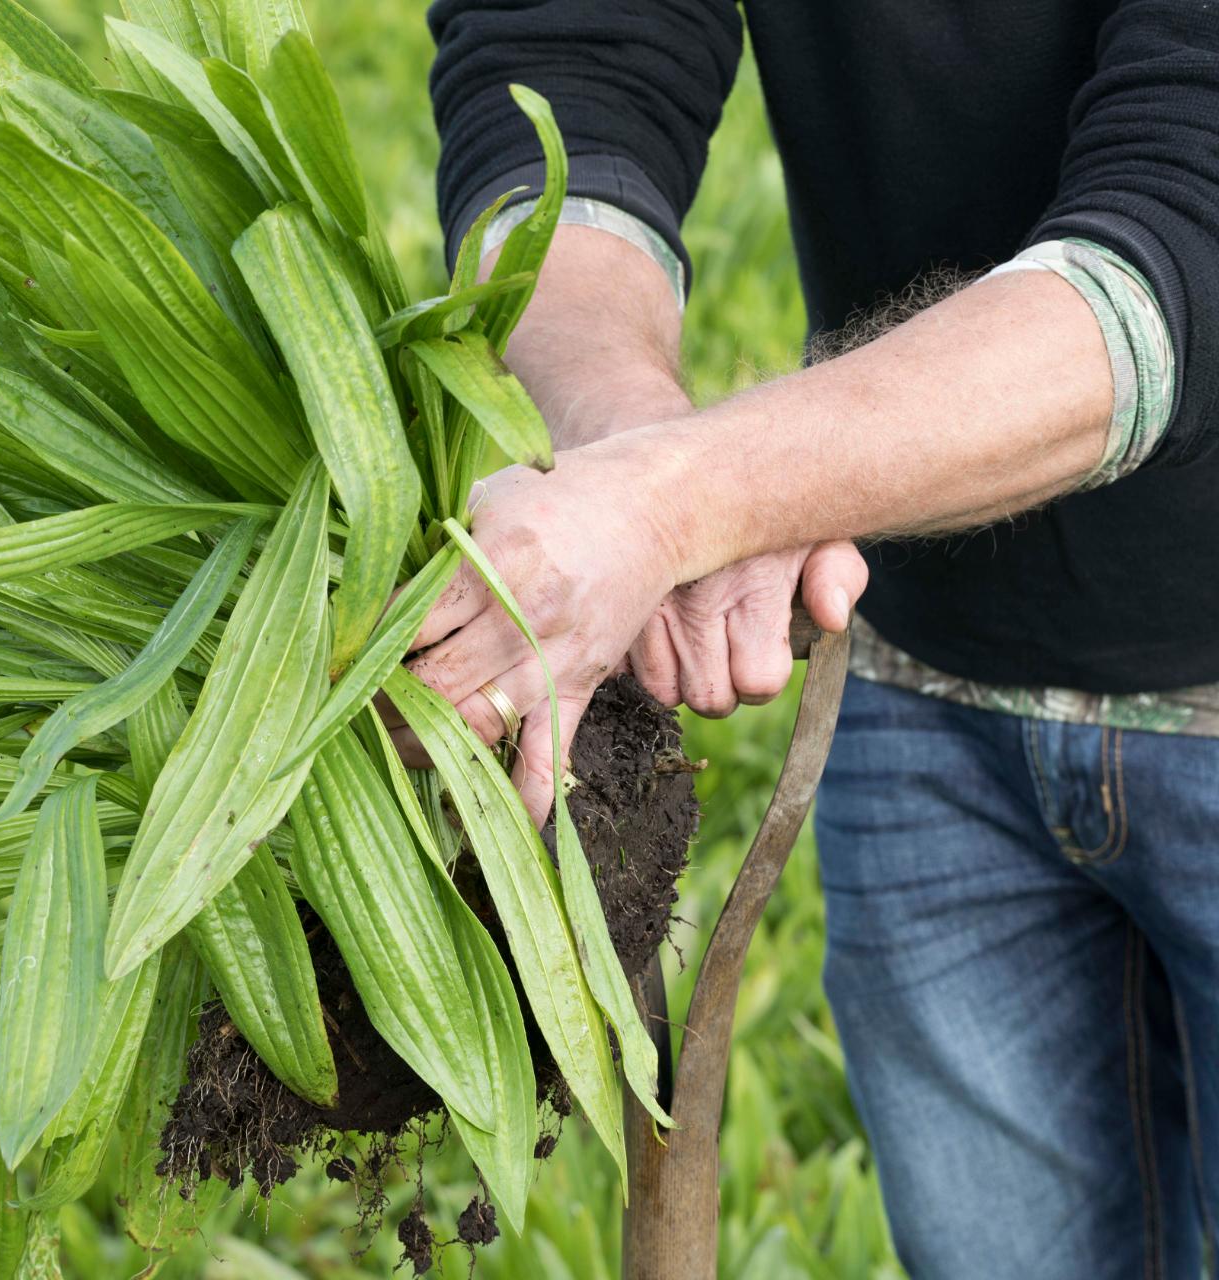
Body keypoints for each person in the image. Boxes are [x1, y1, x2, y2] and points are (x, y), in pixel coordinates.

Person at [407, 2, 1219, 1275]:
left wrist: (683, 496)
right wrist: (630, 436)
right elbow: (568, 52)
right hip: (919, 672)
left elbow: (1193, 224)